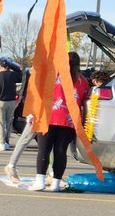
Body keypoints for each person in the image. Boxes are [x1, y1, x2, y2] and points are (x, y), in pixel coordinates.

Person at [31, 51, 91, 191]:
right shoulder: (83, 81)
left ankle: (40, 181)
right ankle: (56, 184)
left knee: (44, 150)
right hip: (70, 121)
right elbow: (85, 102)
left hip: (49, 117)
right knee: (60, 151)